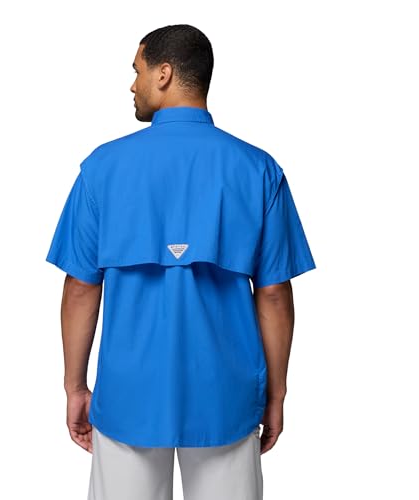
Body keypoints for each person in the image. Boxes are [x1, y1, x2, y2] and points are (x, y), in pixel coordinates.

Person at [46, 24, 316, 500]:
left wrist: (75, 387)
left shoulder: (102, 168)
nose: (132, 85)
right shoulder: (258, 169)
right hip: (226, 398)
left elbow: (80, 288)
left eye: (137, 71)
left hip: (127, 397)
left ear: (164, 74)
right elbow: (274, 294)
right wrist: (276, 394)